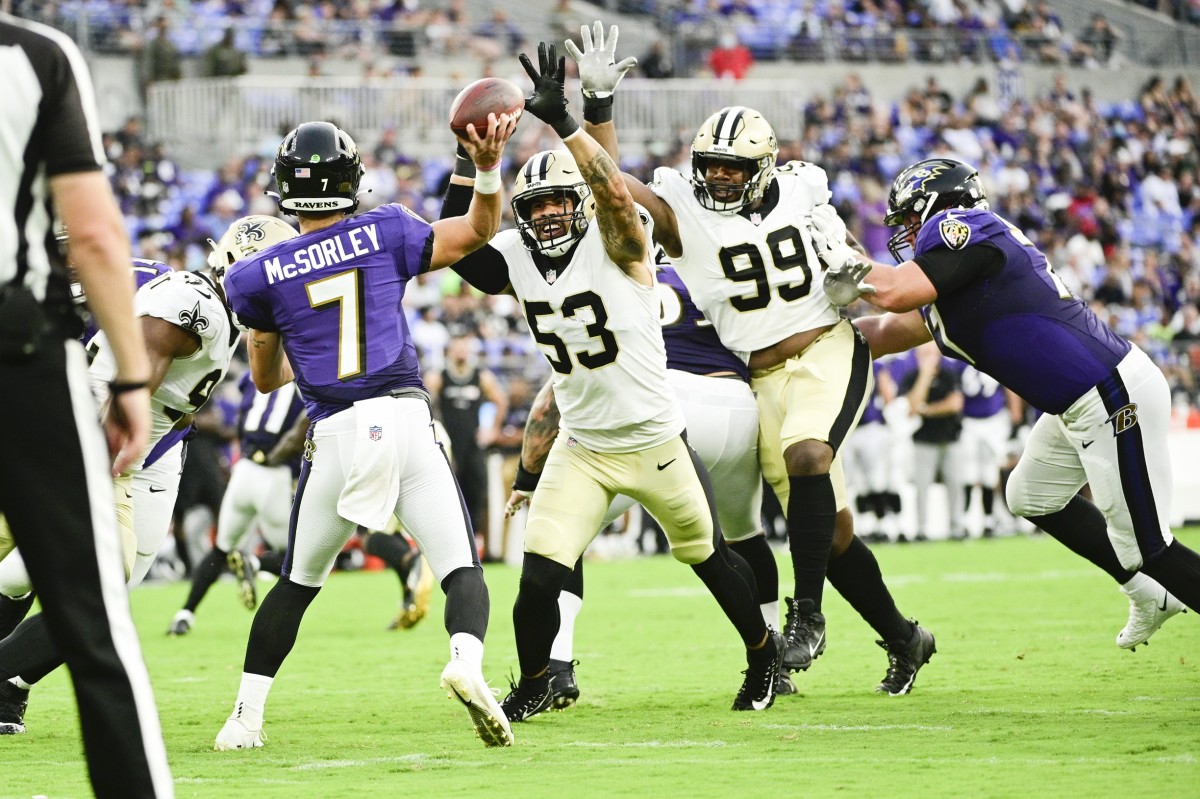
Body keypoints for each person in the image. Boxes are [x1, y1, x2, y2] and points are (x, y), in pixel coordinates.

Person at [566, 23, 934, 694]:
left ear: (763, 165)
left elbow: (858, 268)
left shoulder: (803, 192)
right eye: (712, 165)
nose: (721, 177)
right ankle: (907, 638)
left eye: (734, 166)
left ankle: (809, 614)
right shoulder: (683, 208)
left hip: (827, 346)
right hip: (761, 376)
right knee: (835, 533)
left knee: (807, 457)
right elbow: (610, 187)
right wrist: (596, 109)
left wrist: (860, 275)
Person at [445, 42, 784, 720]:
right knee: (536, 574)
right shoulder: (514, 255)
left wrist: (573, 121)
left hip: (656, 440)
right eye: (532, 207)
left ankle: (762, 651)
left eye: (554, 205)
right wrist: (471, 158)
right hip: (584, 446)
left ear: (581, 203)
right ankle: (540, 676)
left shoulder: (620, 243)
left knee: (711, 561)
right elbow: (455, 239)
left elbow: (611, 188)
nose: (543, 217)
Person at [214, 116, 518, 751]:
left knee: (297, 584)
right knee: (461, 565)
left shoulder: (255, 278)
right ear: (351, 181)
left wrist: (283, 319)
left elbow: (267, 380)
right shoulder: (389, 229)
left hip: (336, 432)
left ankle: (244, 718)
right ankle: (465, 658)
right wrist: (486, 165)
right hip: (406, 417)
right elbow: (480, 231)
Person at [819, 156, 1197, 649]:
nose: (908, 232)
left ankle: (1152, 580)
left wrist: (829, 248)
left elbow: (890, 293)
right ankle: (1148, 593)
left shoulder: (962, 226)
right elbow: (883, 332)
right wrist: (801, 336)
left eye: (911, 218)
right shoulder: (956, 278)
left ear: (938, 205)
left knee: (1149, 547)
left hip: (1108, 391)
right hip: (1078, 402)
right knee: (1031, 495)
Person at [503, 252, 798, 708]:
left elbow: (548, 400)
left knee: (703, 555)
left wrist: (527, 473)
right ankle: (536, 682)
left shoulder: (612, 282)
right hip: (706, 411)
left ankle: (762, 658)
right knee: (734, 539)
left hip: (656, 430)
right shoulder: (706, 274)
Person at [0, 13, 171, 797]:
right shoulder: (37, 56)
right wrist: (132, 381)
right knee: (93, 616)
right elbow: (96, 234)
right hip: (22, 349)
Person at [0, 223, 245, 735]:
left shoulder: (154, 285)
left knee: (115, 579)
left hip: (143, 448)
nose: (63, 258)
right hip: (72, 432)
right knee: (35, 574)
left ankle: (12, 682)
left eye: (69, 245)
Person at [426, 334, 509, 554]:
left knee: (478, 497)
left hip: (473, 447)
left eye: (465, 347)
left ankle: (480, 548)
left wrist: (492, 431)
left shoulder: (481, 377)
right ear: (450, 350)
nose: (461, 351)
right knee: (449, 497)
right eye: (457, 347)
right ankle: (449, 548)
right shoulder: (439, 377)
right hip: (449, 448)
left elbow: (501, 401)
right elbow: (424, 402)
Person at [899, 342, 965, 541]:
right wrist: (925, 376)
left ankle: (957, 527)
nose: (929, 357)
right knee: (921, 487)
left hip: (950, 438)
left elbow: (955, 405)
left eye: (931, 353)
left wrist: (927, 410)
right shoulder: (912, 377)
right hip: (923, 440)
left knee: (955, 485)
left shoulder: (949, 374)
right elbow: (912, 406)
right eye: (924, 354)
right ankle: (921, 529)